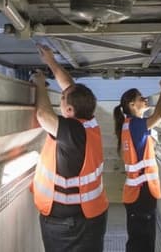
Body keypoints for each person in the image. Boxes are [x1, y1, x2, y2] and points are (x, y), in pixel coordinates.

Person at [31, 44, 108, 252]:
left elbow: (44, 117)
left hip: (71, 225)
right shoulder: (89, 123)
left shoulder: (73, 131)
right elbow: (70, 88)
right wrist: (50, 61)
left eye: (62, 100)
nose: (61, 99)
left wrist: (40, 84)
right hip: (89, 215)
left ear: (70, 110)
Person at [113, 78, 161, 252]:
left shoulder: (128, 125)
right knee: (143, 242)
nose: (145, 99)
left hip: (137, 193)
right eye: (140, 98)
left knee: (138, 240)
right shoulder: (136, 124)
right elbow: (159, 115)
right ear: (132, 105)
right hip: (142, 193)